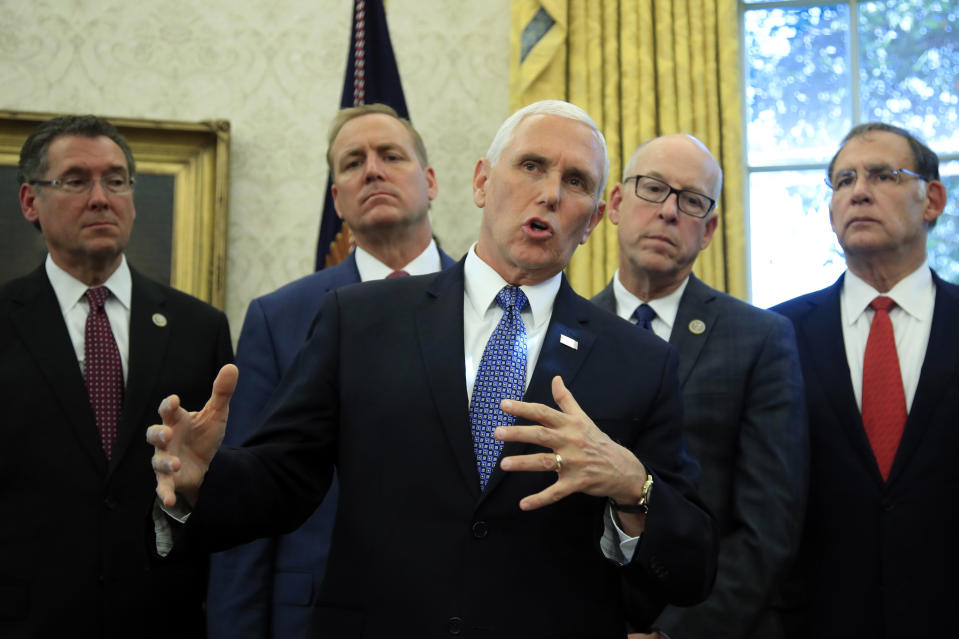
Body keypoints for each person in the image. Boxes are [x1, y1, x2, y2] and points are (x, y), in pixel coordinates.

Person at [151, 100, 717, 638]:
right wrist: (207, 480)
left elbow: (691, 568)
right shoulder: (361, 319)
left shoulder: (640, 360)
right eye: (532, 166)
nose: (549, 193)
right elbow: (284, 480)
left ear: (594, 219)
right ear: (480, 183)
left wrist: (632, 488)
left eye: (575, 182)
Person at [207, 103, 457, 639]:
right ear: (337, 198)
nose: (372, 170)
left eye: (391, 155)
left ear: (430, 181)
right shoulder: (279, 318)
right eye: (352, 163)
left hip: (463, 609)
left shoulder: (497, 303)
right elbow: (251, 500)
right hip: (317, 614)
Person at [0, 115, 232, 638]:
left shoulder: (199, 327)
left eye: (117, 180)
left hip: (160, 615)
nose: (101, 197)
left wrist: (194, 494)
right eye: (76, 180)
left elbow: (218, 491)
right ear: (30, 202)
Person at [592, 134, 807, 638]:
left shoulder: (761, 339)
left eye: (691, 201)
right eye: (653, 189)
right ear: (617, 204)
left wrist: (676, 634)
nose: (669, 211)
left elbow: (768, 526)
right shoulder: (565, 330)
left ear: (708, 230)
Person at [771, 123, 955, 637]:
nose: (859, 191)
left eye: (882, 175)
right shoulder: (773, 334)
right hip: (813, 619)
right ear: (831, 211)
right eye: (843, 180)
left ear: (932, 200)